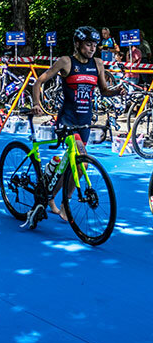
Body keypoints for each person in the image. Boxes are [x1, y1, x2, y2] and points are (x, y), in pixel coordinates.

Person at [32, 26, 125, 219]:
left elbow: (104, 91)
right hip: (67, 120)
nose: (92, 48)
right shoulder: (66, 62)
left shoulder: (98, 64)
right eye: (88, 44)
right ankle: (66, 201)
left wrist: (117, 91)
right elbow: (38, 82)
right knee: (83, 162)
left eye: (94, 45)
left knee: (71, 163)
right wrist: (36, 103)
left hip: (85, 121)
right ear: (77, 44)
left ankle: (51, 194)